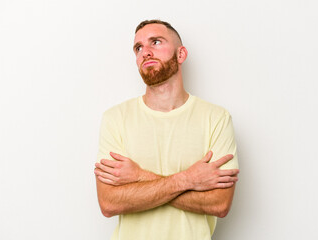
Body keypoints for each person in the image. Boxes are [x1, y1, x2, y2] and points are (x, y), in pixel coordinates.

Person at [94, 19, 239, 240]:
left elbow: (220, 204)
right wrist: (189, 180)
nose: (145, 52)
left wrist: (140, 177)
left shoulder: (216, 118)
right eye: (138, 47)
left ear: (181, 54)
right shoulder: (115, 118)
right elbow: (109, 203)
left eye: (156, 42)